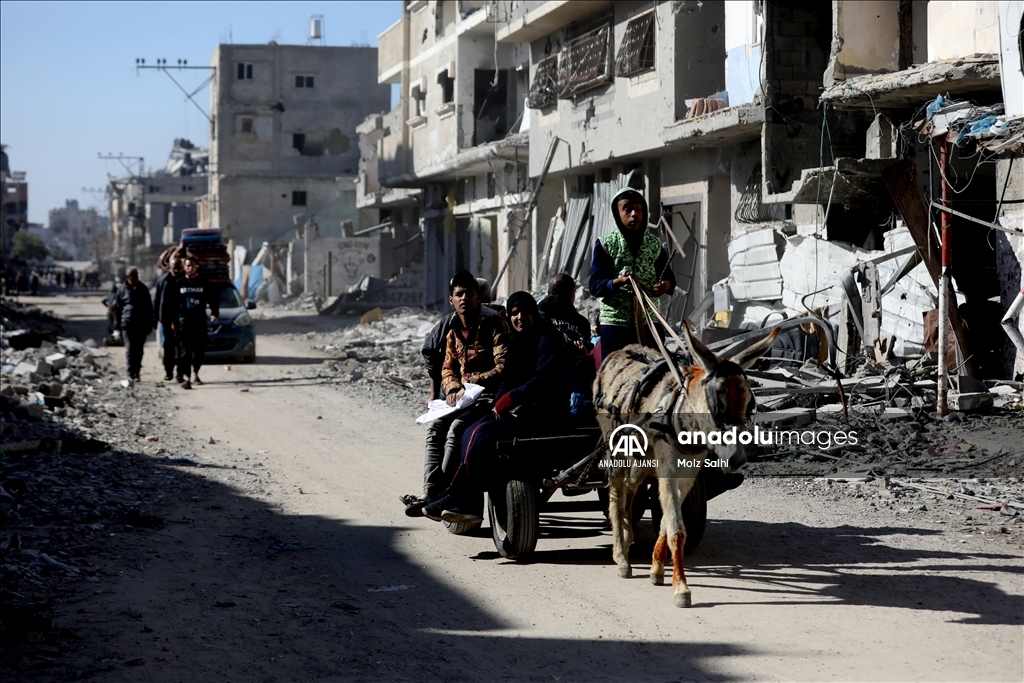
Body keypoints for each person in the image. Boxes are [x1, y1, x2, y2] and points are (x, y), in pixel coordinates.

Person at [423, 291, 570, 524]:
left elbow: (545, 381)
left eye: (525, 311)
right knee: (469, 430)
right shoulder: (519, 343)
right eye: (514, 313)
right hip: (520, 411)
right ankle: (459, 498)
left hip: (543, 414)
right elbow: (507, 380)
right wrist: (498, 403)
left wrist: (509, 399)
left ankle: (456, 497)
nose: (520, 317)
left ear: (534, 312)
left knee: (481, 435)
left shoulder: (547, 340)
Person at [401, 270, 510, 516]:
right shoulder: (451, 331)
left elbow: (504, 367)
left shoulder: (494, 325)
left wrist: (470, 381)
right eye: (459, 294)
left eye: (469, 293)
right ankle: (429, 491)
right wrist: (452, 387)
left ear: (477, 297)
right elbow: (447, 368)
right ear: (451, 300)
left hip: (488, 398)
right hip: (462, 400)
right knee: (435, 428)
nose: (464, 299)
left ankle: (447, 492)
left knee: (456, 430)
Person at [588, 187, 676, 362]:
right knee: (615, 377)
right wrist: (617, 282)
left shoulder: (654, 245)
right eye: (627, 209)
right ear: (617, 213)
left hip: (648, 323)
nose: (634, 214)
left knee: (653, 374)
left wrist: (663, 286)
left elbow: (670, 279)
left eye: (638, 209)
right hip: (615, 325)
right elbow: (595, 285)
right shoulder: (605, 244)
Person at [538, 272, 596, 413]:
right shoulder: (581, 323)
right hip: (569, 389)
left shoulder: (536, 315)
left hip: (539, 384)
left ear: (548, 292)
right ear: (572, 295)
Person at [171, 255, 219, 389]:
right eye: (187, 265)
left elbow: (212, 298)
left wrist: (214, 313)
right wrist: (174, 321)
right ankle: (186, 377)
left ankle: (196, 373)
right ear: (184, 267)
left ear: (196, 267)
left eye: (192, 265)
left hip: (199, 321)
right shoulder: (179, 283)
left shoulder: (203, 282)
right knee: (185, 350)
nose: (189, 268)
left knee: (199, 350)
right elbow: (173, 304)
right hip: (184, 322)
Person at [111, 267, 155, 382]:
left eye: (137, 276)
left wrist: (150, 324)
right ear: (127, 277)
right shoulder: (121, 290)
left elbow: (149, 308)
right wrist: (117, 328)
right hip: (127, 325)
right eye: (133, 276)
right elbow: (117, 310)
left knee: (139, 350)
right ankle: (130, 373)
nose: (135, 278)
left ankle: (137, 373)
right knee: (130, 349)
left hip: (141, 325)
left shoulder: (143, 289)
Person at [154, 254, 183, 381]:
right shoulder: (163, 281)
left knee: (182, 347)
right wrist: (154, 320)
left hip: (182, 320)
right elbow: (157, 302)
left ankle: (180, 374)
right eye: (174, 268)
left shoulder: (184, 281)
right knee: (168, 347)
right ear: (169, 267)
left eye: (178, 268)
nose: (176, 270)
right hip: (166, 321)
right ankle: (169, 372)